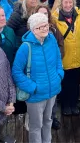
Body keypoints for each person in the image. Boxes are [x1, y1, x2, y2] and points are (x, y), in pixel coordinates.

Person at [12, 13, 64, 143]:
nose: (45, 29)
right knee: (36, 126)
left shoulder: (51, 39)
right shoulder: (25, 48)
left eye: (46, 25)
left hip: (52, 91)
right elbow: (16, 72)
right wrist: (33, 87)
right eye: (40, 27)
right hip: (35, 96)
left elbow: (58, 59)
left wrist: (59, 75)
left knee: (48, 121)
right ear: (33, 29)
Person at [52, 0, 80, 116]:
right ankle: (65, 105)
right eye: (65, 2)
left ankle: (74, 103)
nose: (68, 5)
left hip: (78, 54)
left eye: (70, 2)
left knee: (76, 81)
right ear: (61, 4)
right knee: (65, 82)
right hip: (64, 57)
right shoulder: (55, 18)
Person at [34, 4, 64, 130]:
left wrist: (58, 71)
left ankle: (52, 117)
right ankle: (40, 119)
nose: (43, 17)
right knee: (40, 97)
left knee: (53, 96)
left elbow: (61, 44)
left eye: (45, 14)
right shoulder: (32, 31)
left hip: (52, 69)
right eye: (40, 14)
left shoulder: (54, 29)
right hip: (39, 72)